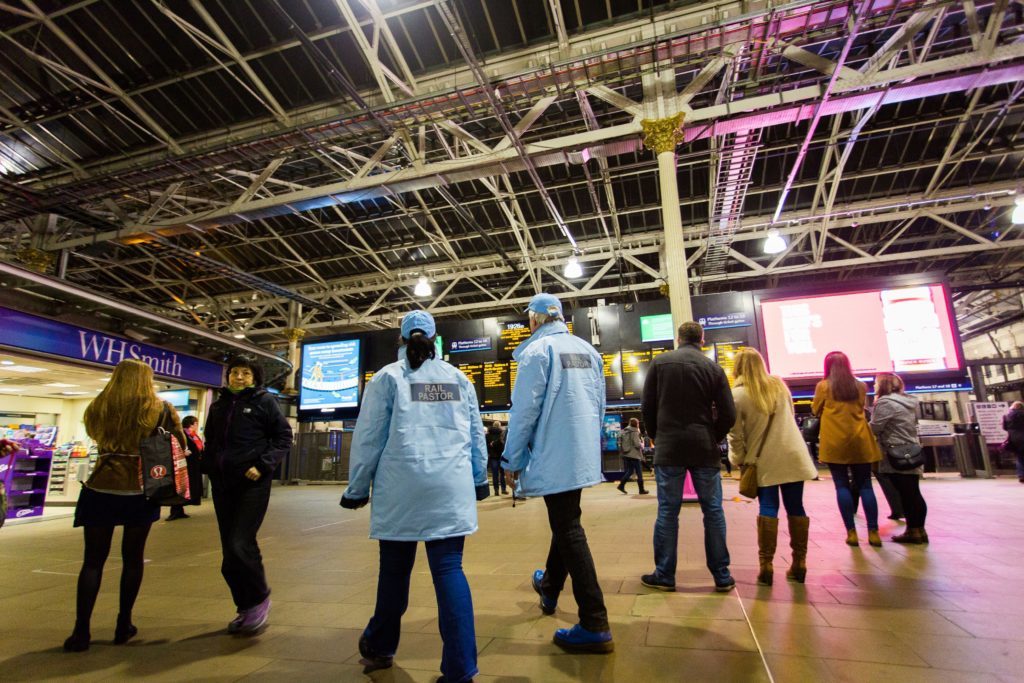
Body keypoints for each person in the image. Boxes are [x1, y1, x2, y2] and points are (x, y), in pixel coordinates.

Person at [341, 310, 488, 683]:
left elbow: (370, 437)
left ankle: (380, 645)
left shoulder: (388, 378)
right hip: (449, 487)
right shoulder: (459, 379)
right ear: (435, 340)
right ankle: (460, 670)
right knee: (449, 571)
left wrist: (357, 488)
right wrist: (479, 478)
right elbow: (475, 434)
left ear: (401, 340)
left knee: (393, 573)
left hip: (400, 489)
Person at [502, 293, 613, 654]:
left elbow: (523, 412)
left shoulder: (537, 353)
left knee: (568, 528)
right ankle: (549, 586)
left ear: (534, 320)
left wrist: (512, 459)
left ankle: (594, 622)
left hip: (555, 452)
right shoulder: (589, 352)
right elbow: (600, 405)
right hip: (580, 453)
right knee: (566, 521)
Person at [64, 359, 186, 652]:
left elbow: (95, 436)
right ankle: (123, 624)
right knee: (132, 559)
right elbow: (180, 443)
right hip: (139, 489)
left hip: (99, 487)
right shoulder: (160, 408)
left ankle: (81, 631)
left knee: (92, 561)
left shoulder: (98, 405)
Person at [640, 321, 737, 593]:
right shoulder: (714, 369)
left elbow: (647, 406)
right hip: (703, 448)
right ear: (701, 340)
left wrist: (658, 437)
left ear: (678, 338)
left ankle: (665, 575)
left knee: (668, 512)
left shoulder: (660, 364)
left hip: (669, 448)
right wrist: (712, 435)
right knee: (713, 511)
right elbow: (729, 414)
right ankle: (721, 575)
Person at [203, 357, 293, 635]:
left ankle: (258, 600)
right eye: (234, 372)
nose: (239, 377)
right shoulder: (218, 406)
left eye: (245, 373)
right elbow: (211, 440)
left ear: (255, 378)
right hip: (223, 484)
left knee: (241, 543)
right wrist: (209, 466)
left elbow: (283, 437)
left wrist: (263, 465)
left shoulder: (265, 402)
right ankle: (244, 607)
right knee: (229, 555)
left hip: (252, 485)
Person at [727, 348, 817, 585]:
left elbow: (734, 435)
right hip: (792, 455)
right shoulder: (779, 386)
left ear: (737, 368)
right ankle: (800, 563)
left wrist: (739, 460)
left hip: (764, 459)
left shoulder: (737, 395)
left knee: (768, 507)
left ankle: (766, 565)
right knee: (796, 506)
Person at [812, 351, 883, 547]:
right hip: (860, 439)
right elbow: (862, 406)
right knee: (866, 486)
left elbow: (815, 409)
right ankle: (873, 532)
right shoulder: (860, 385)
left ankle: (851, 533)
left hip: (835, 441)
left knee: (841, 485)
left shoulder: (823, 386)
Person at [871, 373, 929, 544]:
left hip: (895, 452)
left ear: (883, 385)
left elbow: (875, 427)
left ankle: (914, 531)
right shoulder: (907, 401)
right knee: (913, 492)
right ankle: (918, 530)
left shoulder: (885, 403)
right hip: (911, 449)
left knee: (907, 494)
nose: (874, 386)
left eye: (876, 383)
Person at [167, 415, 204, 520]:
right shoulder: (183, 435)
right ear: (191, 424)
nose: (197, 425)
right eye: (196, 423)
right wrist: (184, 452)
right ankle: (175, 510)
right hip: (184, 466)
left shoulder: (193, 435)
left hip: (193, 466)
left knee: (188, 488)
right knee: (181, 487)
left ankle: (179, 510)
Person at [617, 418, 648, 495]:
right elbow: (637, 444)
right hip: (634, 455)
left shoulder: (624, 431)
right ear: (636, 424)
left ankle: (621, 485)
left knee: (630, 471)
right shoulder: (635, 432)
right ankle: (641, 490)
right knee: (639, 472)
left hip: (626, 454)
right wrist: (642, 444)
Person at [1002, 401, 1024, 484]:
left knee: (1019, 457)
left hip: (1014, 439)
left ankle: (1021, 475)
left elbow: (1005, 428)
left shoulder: (1007, 416)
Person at [486, 421, 508, 495]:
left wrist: (491, 447)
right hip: (501, 456)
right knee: (502, 473)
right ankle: (503, 489)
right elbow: (504, 444)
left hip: (493, 457)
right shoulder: (502, 434)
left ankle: (496, 491)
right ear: (499, 426)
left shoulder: (487, 435)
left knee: (495, 474)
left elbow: (487, 446)